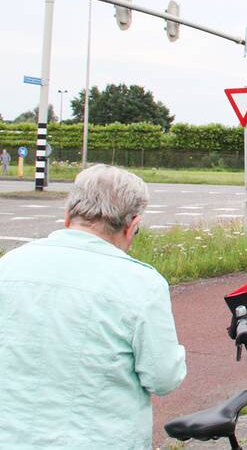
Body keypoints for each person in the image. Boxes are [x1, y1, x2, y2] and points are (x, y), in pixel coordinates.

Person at [0, 164, 186, 449]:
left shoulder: (8, 265)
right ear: (131, 226)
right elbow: (163, 378)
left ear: (67, 217)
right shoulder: (141, 284)